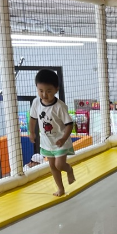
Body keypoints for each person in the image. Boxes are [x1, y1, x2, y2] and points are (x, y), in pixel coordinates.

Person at [29, 69, 75, 197]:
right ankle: (61, 189)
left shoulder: (60, 106)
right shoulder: (36, 103)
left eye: (48, 91)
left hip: (60, 141)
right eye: (40, 91)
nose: (44, 95)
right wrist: (32, 132)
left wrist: (63, 139)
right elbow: (32, 118)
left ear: (56, 89)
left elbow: (69, 124)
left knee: (59, 165)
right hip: (46, 142)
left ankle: (69, 169)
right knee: (52, 166)